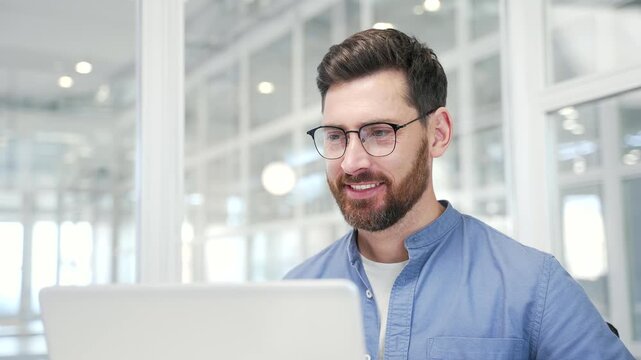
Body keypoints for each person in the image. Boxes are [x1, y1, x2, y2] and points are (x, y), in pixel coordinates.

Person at [284, 28, 634, 360]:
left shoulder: (532, 287)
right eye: (335, 135)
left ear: (437, 133)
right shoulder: (294, 294)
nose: (351, 162)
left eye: (378, 132)